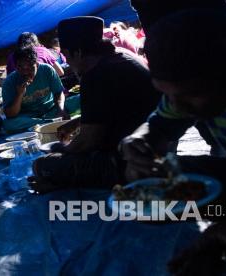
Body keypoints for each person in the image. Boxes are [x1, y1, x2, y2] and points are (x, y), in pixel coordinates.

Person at [118, 9, 226, 274]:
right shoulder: (196, 82)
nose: (178, 107)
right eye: (168, 95)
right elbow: (157, 129)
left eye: (189, 95)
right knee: (139, 193)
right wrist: (137, 144)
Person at [30, 16, 160, 193]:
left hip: (131, 163)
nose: (67, 61)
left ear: (78, 52)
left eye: (67, 55)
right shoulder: (123, 57)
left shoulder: (95, 75)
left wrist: (62, 149)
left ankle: (62, 183)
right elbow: (119, 107)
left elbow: (88, 142)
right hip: (158, 148)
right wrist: (78, 121)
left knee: (41, 165)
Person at [2, 46, 81, 133]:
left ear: (36, 63)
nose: (25, 72)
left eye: (29, 67)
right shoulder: (9, 82)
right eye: (20, 67)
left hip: (52, 109)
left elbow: (58, 93)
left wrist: (61, 109)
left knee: (81, 98)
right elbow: (10, 114)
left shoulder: (47, 69)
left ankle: (49, 122)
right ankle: (48, 123)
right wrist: (19, 94)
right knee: (8, 124)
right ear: (16, 66)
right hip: (29, 117)